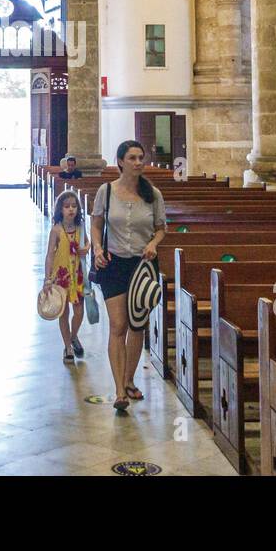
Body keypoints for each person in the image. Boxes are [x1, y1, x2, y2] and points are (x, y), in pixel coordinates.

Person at [91, 140, 166, 413]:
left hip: (143, 266)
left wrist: (153, 244)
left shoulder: (153, 194)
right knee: (118, 325)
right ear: (120, 161)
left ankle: (130, 379)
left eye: (140, 158)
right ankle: (120, 390)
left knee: (137, 325)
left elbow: (161, 228)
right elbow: (96, 223)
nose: (138, 162)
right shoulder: (106, 191)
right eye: (132, 158)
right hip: (114, 263)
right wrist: (97, 247)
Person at [44, 190, 88, 362]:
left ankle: (73, 335)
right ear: (60, 209)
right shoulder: (56, 230)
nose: (71, 209)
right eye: (66, 206)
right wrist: (47, 278)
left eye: (74, 206)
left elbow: (87, 243)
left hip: (77, 274)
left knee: (78, 311)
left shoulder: (81, 227)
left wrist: (87, 248)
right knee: (63, 312)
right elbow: (49, 255)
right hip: (61, 275)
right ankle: (68, 347)